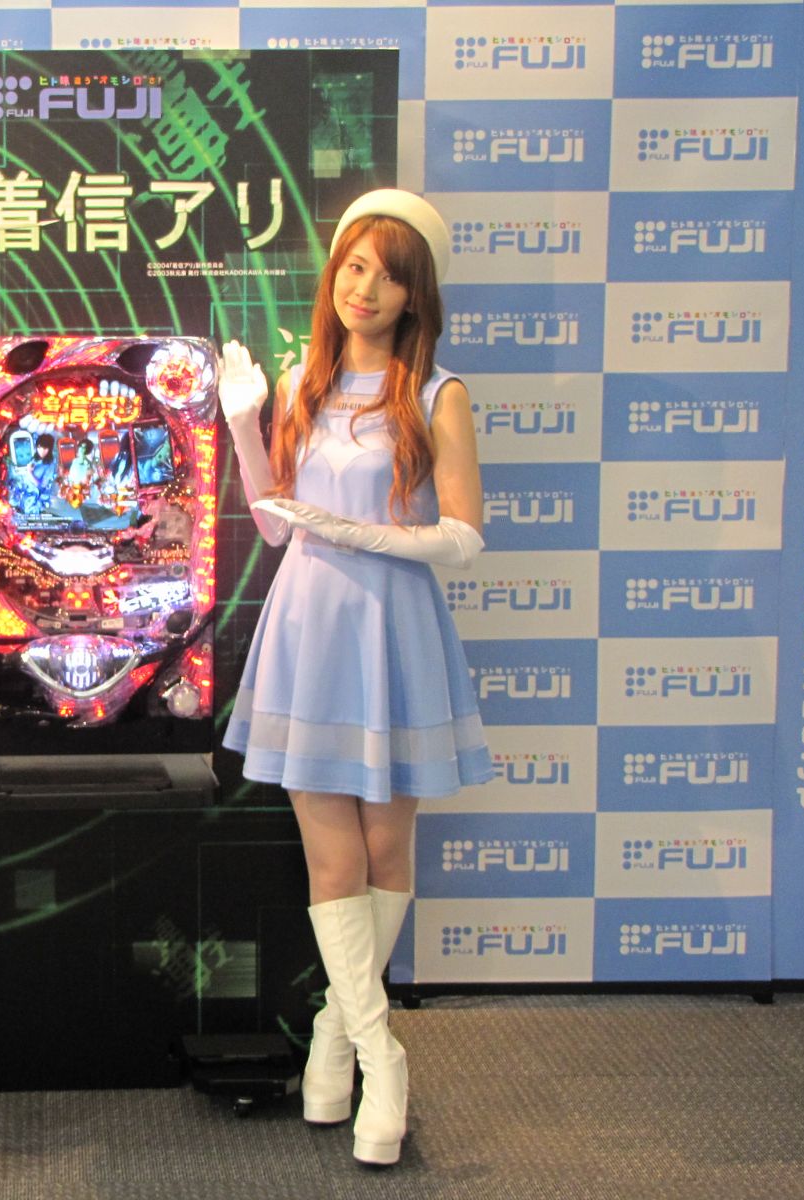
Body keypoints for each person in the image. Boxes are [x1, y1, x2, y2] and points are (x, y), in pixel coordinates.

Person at [219, 190, 494, 1167]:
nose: (364, 288)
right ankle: (382, 1057)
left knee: (385, 846)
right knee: (332, 862)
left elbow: (463, 534)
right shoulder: (305, 379)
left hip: (392, 627)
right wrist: (244, 424)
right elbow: (273, 523)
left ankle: (337, 1037)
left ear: (417, 294)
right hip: (308, 628)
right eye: (352, 266)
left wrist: (367, 535)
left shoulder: (437, 394)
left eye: (387, 274)